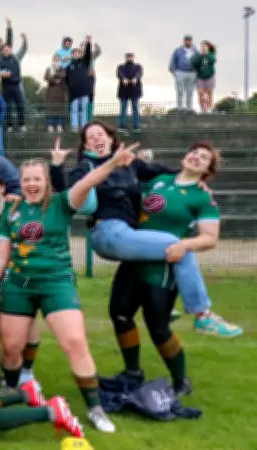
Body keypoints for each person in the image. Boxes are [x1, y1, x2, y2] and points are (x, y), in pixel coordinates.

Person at [0, 140, 138, 433]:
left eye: (37, 179)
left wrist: (112, 163)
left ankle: (95, 408)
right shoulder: (11, 211)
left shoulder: (61, 203)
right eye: (26, 179)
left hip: (56, 282)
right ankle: (13, 389)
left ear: (46, 182)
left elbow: (87, 181)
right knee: (12, 349)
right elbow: (2, 253)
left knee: (75, 343)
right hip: (18, 284)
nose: (31, 184)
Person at [53, 121, 241, 337]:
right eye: (91, 136)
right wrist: (57, 165)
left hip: (127, 234)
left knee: (175, 252)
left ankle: (163, 309)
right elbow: (66, 190)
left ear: (111, 139)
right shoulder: (87, 166)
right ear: (86, 145)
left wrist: (195, 178)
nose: (96, 138)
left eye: (100, 134)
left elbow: (161, 172)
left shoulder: (129, 164)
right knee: (179, 247)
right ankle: (202, 315)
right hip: (108, 231)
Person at [111, 143, 225, 396]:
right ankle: (132, 373)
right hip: (134, 257)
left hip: (162, 266)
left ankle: (180, 380)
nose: (196, 157)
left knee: (158, 327)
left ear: (208, 170)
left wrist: (184, 244)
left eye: (204, 158)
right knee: (120, 314)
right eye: (194, 152)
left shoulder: (202, 196)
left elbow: (209, 238)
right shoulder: (160, 179)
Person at [0, 173, 40, 385]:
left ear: (2, 188)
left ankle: (27, 371)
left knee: (28, 323)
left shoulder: (17, 209)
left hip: (21, 274)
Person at [0, 36, 29, 133]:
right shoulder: (0, 61)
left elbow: (24, 49)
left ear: (10, 50)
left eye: (8, 49)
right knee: (8, 107)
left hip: (16, 86)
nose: (6, 50)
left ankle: (22, 125)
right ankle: (9, 126)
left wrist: (24, 40)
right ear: (2, 51)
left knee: (20, 105)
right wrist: (2, 74)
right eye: (4, 49)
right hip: (6, 87)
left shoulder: (16, 58)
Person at [64, 36, 94, 132]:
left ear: (80, 54)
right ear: (72, 55)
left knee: (84, 111)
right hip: (73, 93)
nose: (76, 54)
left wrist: (88, 43)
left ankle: (84, 127)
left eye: (78, 53)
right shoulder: (69, 66)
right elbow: (66, 79)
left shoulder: (85, 62)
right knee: (74, 110)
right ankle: (75, 127)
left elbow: (88, 54)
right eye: (74, 53)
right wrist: (70, 87)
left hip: (84, 91)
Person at [169, 35, 198, 112]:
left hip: (192, 73)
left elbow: (199, 62)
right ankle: (180, 107)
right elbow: (172, 61)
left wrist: (197, 73)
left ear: (191, 41)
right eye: (186, 40)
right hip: (180, 72)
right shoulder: (178, 50)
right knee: (180, 91)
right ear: (184, 41)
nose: (188, 42)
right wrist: (174, 72)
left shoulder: (195, 51)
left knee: (190, 91)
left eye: (189, 40)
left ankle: (189, 108)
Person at [116, 52, 144, 133]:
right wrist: (123, 78)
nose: (129, 58)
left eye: (131, 56)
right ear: (125, 58)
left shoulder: (138, 66)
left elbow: (140, 73)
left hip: (135, 91)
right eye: (128, 56)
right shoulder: (121, 66)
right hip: (123, 91)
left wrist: (135, 78)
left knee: (135, 109)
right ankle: (122, 126)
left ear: (133, 57)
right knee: (123, 110)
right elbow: (119, 73)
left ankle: (136, 127)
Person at [191, 41, 217, 114]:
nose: (203, 48)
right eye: (202, 46)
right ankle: (202, 108)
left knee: (209, 93)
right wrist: (200, 56)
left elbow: (213, 60)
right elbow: (193, 62)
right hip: (200, 77)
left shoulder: (211, 55)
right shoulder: (198, 56)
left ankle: (209, 108)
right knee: (200, 93)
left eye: (205, 46)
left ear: (208, 48)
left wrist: (207, 55)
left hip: (210, 77)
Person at [44, 54, 67, 133]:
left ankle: (59, 125)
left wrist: (54, 75)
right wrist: (54, 80)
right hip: (51, 92)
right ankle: (50, 126)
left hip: (60, 92)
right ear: (53, 59)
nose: (56, 60)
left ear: (60, 60)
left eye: (58, 59)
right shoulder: (49, 68)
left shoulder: (62, 68)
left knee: (60, 109)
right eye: (55, 58)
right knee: (50, 109)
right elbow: (46, 77)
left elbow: (63, 75)